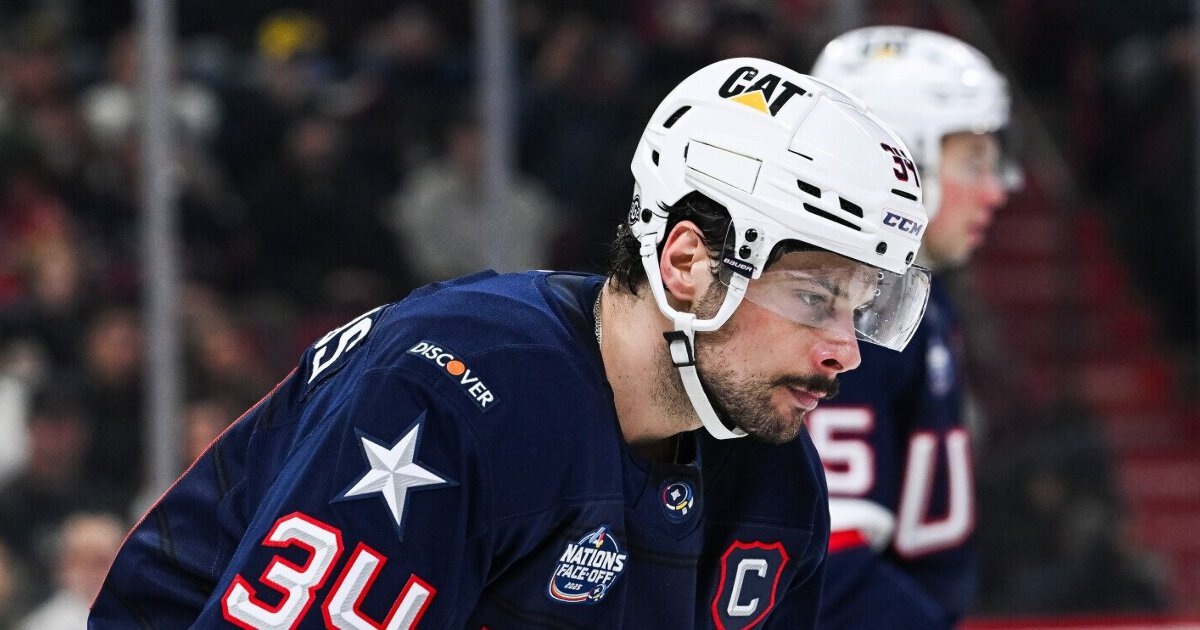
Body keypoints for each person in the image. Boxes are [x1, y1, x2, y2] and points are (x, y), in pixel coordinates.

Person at [89, 57, 931, 628]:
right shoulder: (455, 386)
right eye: (815, 297)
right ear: (686, 263)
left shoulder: (773, 474)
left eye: (860, 308)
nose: (846, 351)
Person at [808, 26, 1016, 628]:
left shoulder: (919, 293)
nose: (995, 190)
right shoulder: (854, 314)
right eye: (973, 162)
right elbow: (829, 567)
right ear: (901, 164)